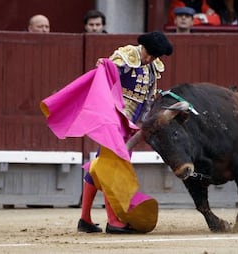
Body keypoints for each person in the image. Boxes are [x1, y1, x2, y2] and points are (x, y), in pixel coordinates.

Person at [76, 31, 173, 234]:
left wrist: (144, 125)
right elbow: (103, 79)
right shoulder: (127, 55)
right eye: (149, 54)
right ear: (143, 47)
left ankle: (85, 219)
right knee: (112, 167)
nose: (149, 59)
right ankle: (114, 221)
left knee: (101, 166)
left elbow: (147, 99)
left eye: (154, 57)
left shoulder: (153, 67)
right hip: (113, 120)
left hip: (129, 125)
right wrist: (104, 66)